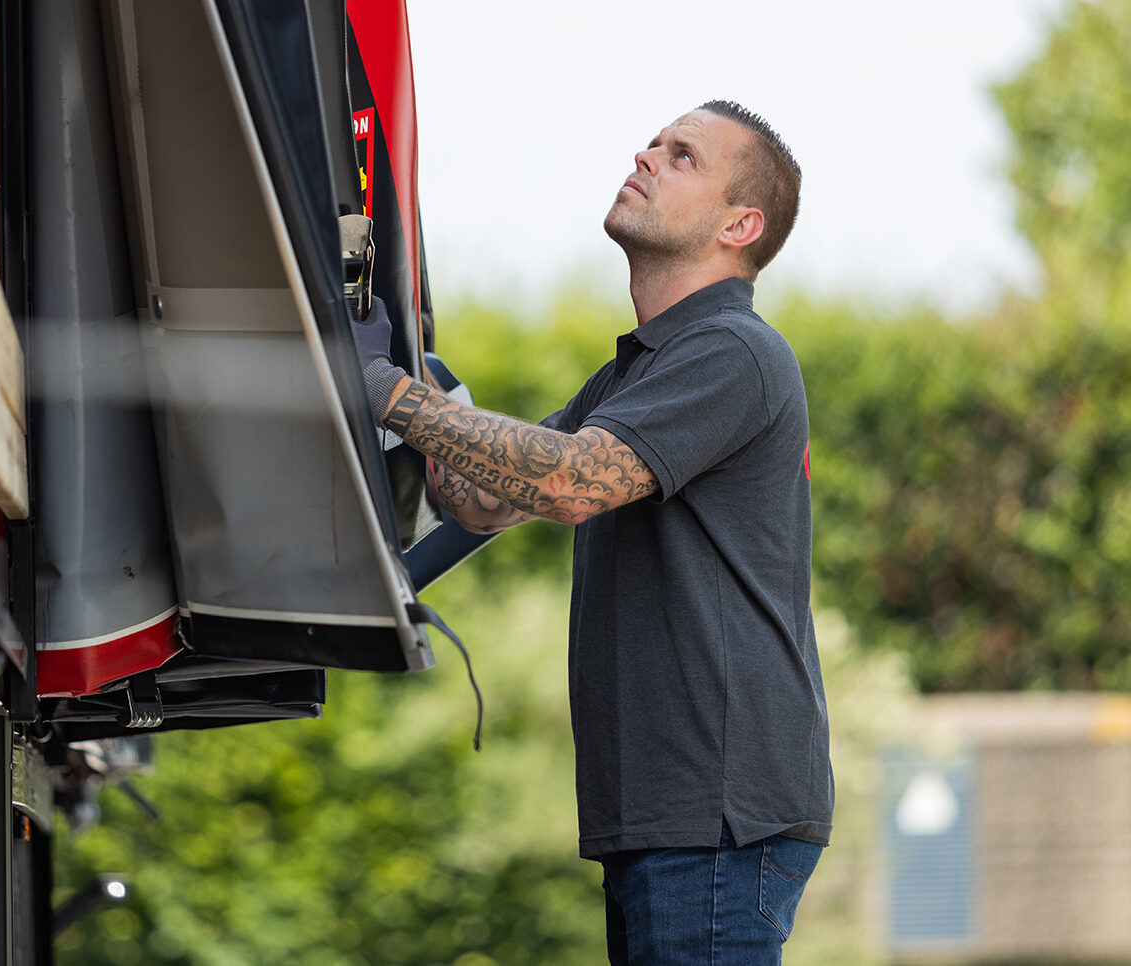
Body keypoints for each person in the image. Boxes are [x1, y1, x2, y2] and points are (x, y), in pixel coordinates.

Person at [353, 99, 833, 966]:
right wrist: (415, 384)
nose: (647, 154)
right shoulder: (636, 371)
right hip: (664, 810)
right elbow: (490, 498)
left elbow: (567, 481)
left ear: (741, 223)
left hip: (716, 812)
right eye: (653, 141)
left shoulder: (734, 352)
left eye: (682, 155)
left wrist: (382, 388)